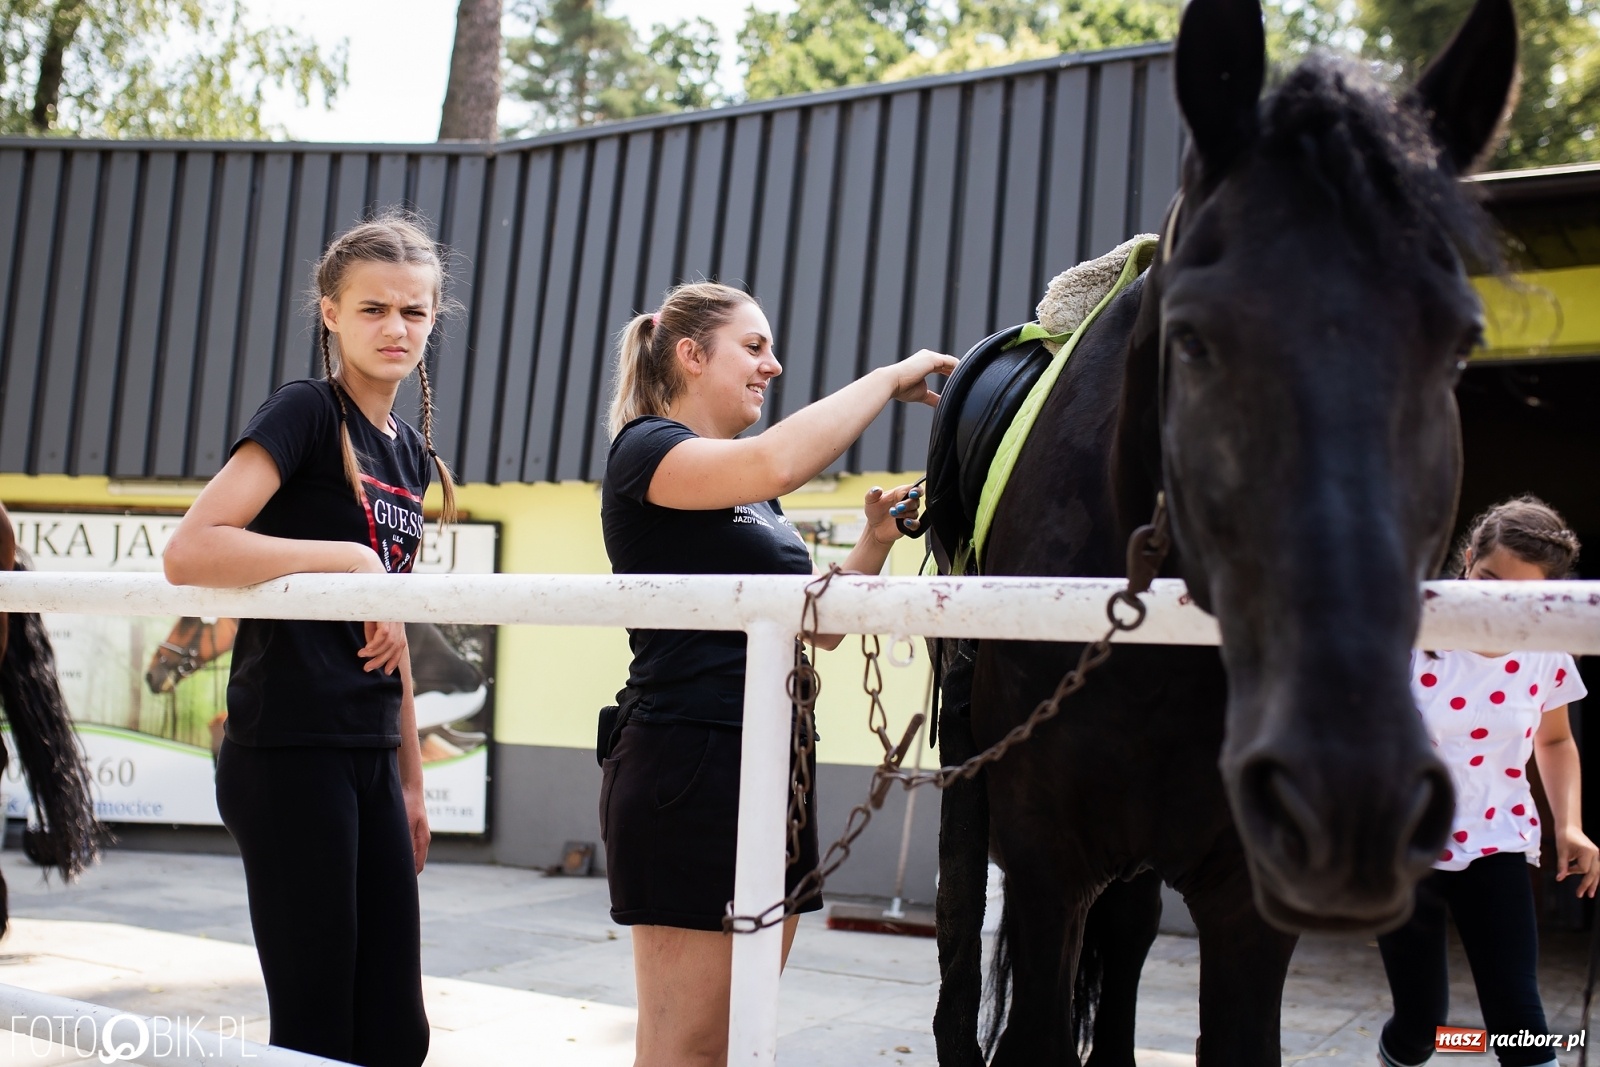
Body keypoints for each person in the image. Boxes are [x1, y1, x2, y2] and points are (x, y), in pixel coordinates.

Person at [599, 281, 957, 1066]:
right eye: (754, 347)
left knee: (742, 1030)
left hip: (776, 758)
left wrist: (875, 539)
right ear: (691, 355)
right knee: (688, 1045)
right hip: (689, 756)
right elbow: (779, 460)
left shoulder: (755, 501)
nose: (774, 364)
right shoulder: (647, 449)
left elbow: (817, 628)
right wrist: (889, 378)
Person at [163, 213, 457, 1067]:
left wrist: (411, 781)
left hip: (369, 753)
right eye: (373, 309)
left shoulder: (408, 452)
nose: (396, 327)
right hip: (289, 748)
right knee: (316, 1029)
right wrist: (351, 557)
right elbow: (191, 549)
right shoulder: (305, 410)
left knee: (396, 1033)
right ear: (330, 313)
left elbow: (390, 636)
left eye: (414, 311)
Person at [1377, 496, 1596, 1067]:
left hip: (1498, 840)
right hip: (1404, 844)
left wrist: (1570, 825)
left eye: (1517, 594)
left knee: (1520, 1026)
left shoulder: (1546, 649)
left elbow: (1554, 741)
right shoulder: (1411, 627)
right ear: (1469, 559)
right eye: (1488, 580)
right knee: (1422, 1029)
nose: (1495, 601)